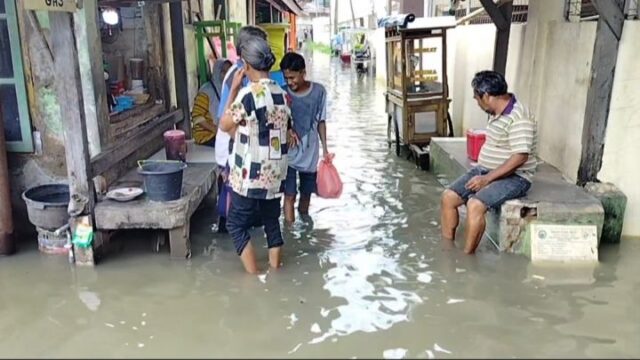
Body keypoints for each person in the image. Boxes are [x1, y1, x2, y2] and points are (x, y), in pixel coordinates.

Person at [219, 37, 298, 274]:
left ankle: (253, 277)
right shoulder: (282, 94)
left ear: (246, 65)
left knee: (235, 224)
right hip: (275, 173)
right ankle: (276, 272)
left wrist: (233, 88)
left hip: (250, 175)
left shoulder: (247, 94)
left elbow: (224, 125)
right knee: (272, 222)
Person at [440, 70, 537, 254]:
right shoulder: (496, 112)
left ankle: (466, 257)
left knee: (475, 205)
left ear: (486, 96)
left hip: (516, 177)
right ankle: (447, 249)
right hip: (486, 170)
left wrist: (487, 179)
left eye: (477, 98)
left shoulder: (519, 117)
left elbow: (520, 157)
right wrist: (485, 174)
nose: (477, 103)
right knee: (448, 197)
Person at [279, 52, 328, 223]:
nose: (290, 82)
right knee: (289, 195)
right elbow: (276, 121)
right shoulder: (282, 94)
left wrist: (326, 150)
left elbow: (321, 121)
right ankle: (290, 235)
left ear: (303, 72)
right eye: (286, 78)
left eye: (292, 77)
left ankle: (305, 228)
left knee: (306, 195)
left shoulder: (319, 92)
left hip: (310, 155)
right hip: (289, 155)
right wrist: (286, 130)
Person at [190, 59, 232, 147]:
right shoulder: (206, 91)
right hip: (206, 135)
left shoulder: (227, 90)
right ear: (217, 72)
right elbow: (197, 116)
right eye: (223, 72)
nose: (227, 75)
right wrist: (215, 130)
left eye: (229, 71)